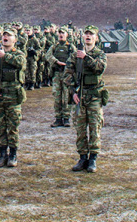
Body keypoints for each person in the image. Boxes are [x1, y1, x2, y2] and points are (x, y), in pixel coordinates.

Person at [66, 25, 109, 174]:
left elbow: (100, 68)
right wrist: (73, 91)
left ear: (96, 38)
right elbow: (67, 74)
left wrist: (85, 57)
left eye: (91, 34)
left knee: (94, 128)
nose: (88, 36)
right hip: (80, 96)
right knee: (80, 129)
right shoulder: (74, 55)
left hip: (95, 96)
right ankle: (82, 157)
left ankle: (93, 158)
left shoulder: (100, 54)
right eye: (86, 34)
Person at [0, 26, 27, 168]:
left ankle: (13, 154)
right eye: (4, 35)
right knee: (0, 126)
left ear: (15, 40)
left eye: (9, 35)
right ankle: (2, 154)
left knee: (12, 126)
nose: (5, 37)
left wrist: (5, 56)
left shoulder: (19, 54)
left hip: (13, 96)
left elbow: (21, 64)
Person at [45, 27, 76, 127]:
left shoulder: (70, 47)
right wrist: (56, 62)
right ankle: (58, 118)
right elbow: (48, 56)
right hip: (57, 74)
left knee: (67, 96)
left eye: (63, 33)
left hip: (67, 75)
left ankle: (66, 118)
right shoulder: (54, 46)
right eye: (59, 33)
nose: (61, 35)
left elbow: (75, 58)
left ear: (67, 34)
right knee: (57, 96)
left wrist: (68, 64)